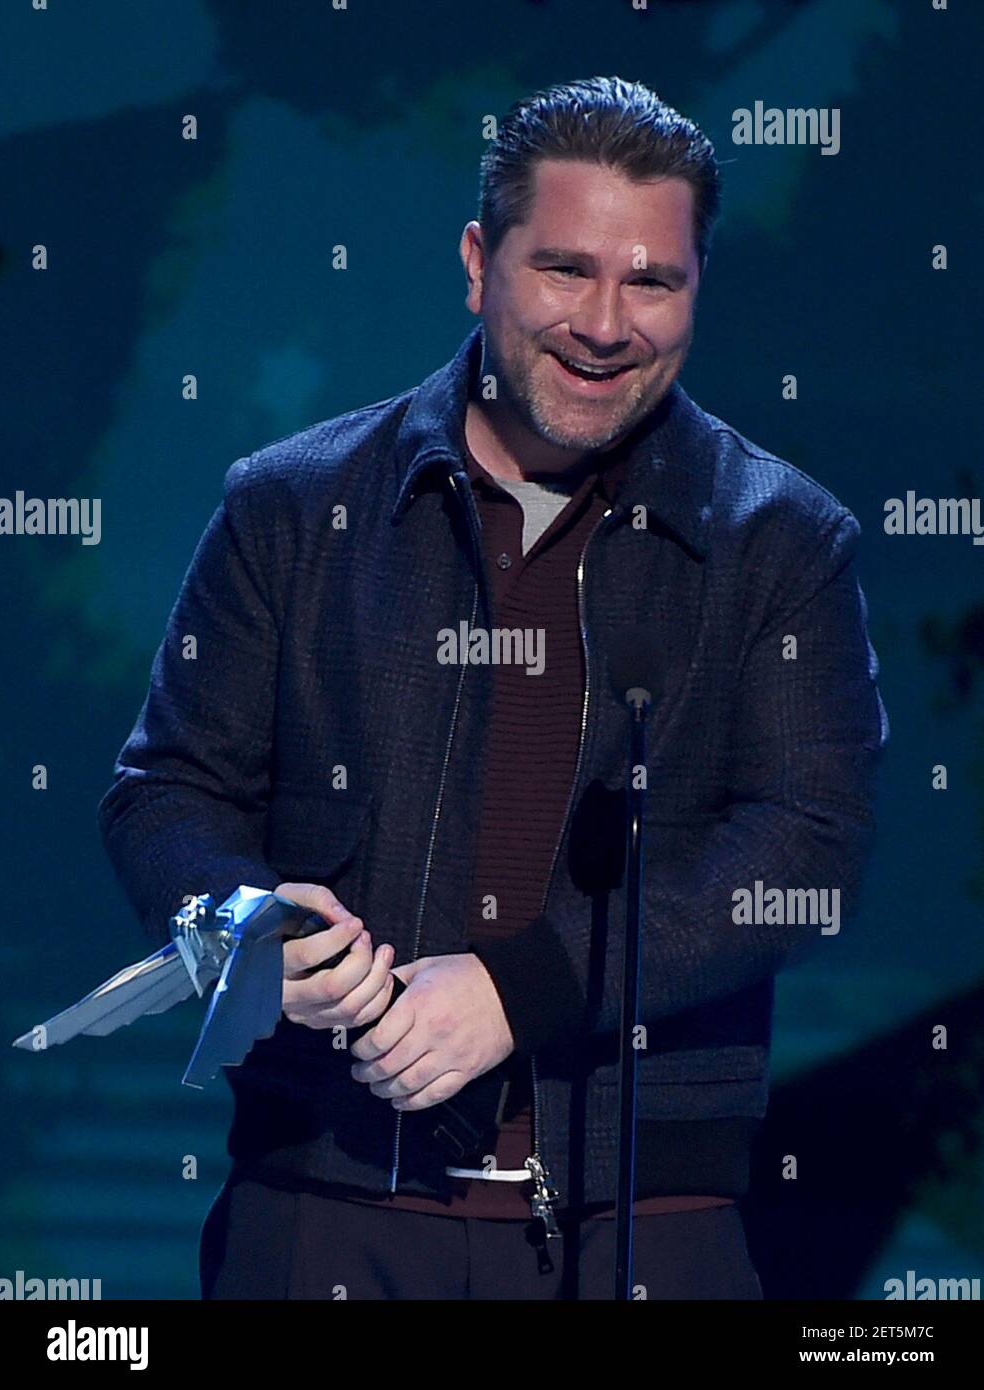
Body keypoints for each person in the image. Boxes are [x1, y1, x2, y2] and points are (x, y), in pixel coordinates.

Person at [98, 75, 888, 1300]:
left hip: (645, 1228)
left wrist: (524, 991)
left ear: (697, 292)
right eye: (565, 269)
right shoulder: (292, 506)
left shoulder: (780, 540)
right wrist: (245, 928)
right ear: (480, 263)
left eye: (653, 281)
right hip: (325, 1209)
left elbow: (809, 849)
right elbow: (165, 794)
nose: (607, 322)